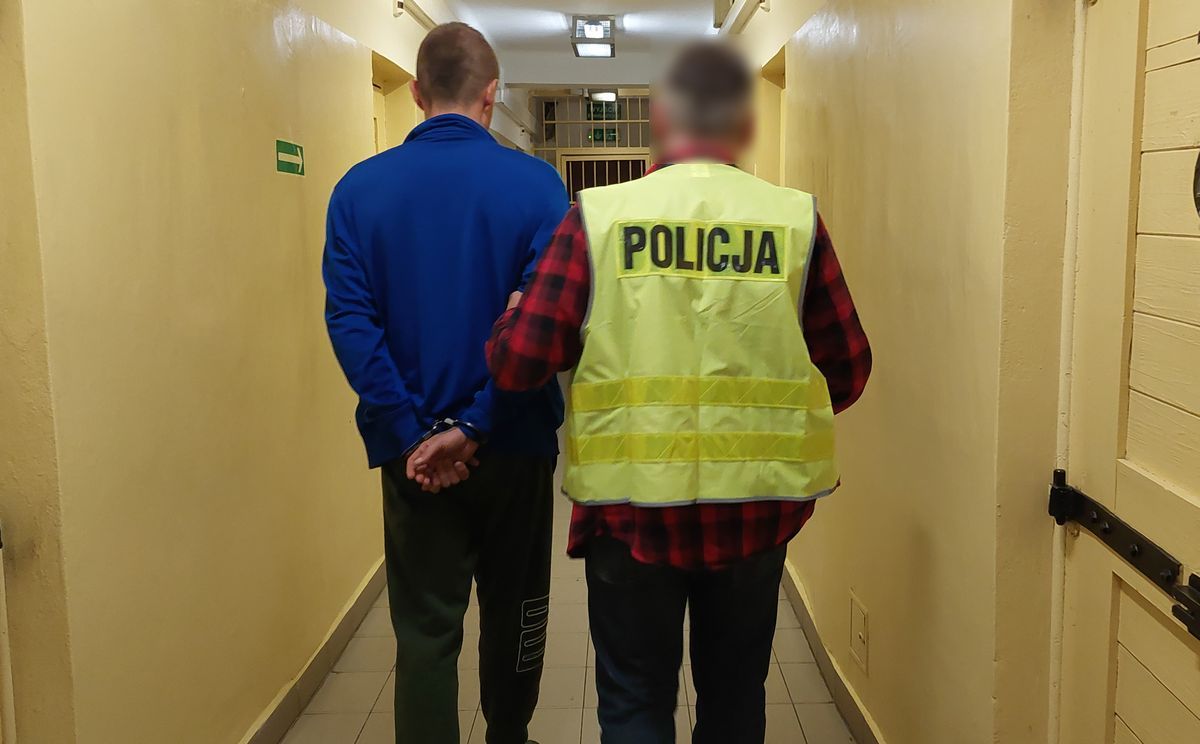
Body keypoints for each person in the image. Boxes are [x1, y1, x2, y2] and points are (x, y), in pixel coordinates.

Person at [486, 40, 872, 744]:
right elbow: (847, 369)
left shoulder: (598, 217)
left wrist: (512, 313)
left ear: (660, 119)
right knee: (735, 698)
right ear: (744, 124)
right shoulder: (792, 219)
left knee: (635, 703)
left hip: (630, 513)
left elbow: (520, 365)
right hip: (755, 512)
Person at [322, 22, 567, 744]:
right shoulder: (538, 187)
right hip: (515, 445)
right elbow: (544, 324)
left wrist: (413, 435)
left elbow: (351, 321)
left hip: (414, 463)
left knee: (425, 631)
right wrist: (480, 424)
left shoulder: (357, 192)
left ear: (415, 92)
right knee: (517, 612)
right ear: (492, 95)